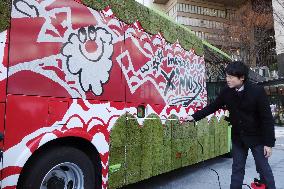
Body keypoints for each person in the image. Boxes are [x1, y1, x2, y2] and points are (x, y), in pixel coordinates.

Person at [185, 61, 276, 189]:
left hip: (258, 138)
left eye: (231, 77)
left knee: (263, 169)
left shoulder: (257, 91)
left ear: (242, 77)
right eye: (227, 76)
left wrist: (268, 144)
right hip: (238, 137)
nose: (227, 80)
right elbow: (212, 107)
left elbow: (267, 118)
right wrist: (194, 117)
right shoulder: (226, 92)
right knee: (237, 169)